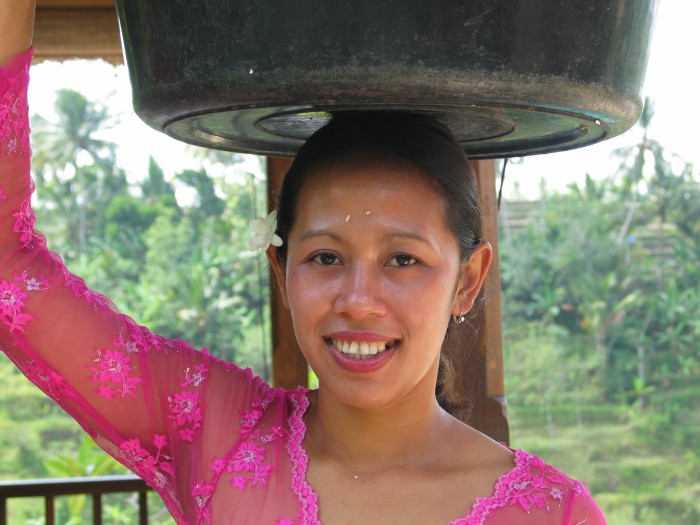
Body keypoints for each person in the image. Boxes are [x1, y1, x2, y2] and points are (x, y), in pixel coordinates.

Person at [0, 1, 607, 524]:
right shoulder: (211, 435)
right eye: (325, 257)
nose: (358, 298)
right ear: (280, 272)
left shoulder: (555, 513)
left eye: (402, 259)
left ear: (467, 281)